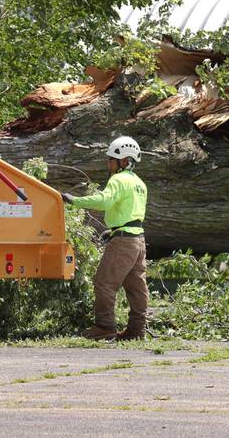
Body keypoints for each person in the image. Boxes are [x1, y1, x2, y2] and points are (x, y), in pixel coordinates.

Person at [61, 136, 148, 341]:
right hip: (138, 240)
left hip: (124, 241)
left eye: (112, 159)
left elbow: (104, 201)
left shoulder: (119, 180)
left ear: (125, 161)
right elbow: (131, 212)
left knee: (104, 282)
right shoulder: (139, 183)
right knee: (137, 287)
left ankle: (105, 326)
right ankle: (137, 330)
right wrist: (113, 230)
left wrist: (75, 200)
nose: (109, 163)